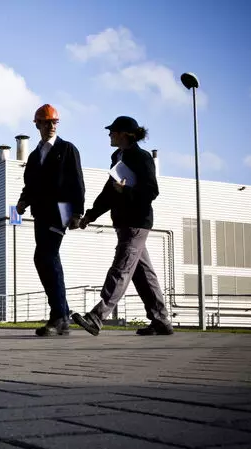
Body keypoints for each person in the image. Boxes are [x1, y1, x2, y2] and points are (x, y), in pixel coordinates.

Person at [71, 115, 174, 336]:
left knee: (121, 268)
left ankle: (97, 317)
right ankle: (161, 320)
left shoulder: (141, 157)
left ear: (125, 134)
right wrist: (90, 216)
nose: (109, 134)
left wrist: (125, 191)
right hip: (123, 222)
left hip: (136, 223)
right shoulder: (118, 156)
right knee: (142, 274)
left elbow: (151, 191)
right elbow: (109, 193)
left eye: (113, 131)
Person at [16, 104, 85, 336]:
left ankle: (59, 316)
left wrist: (77, 213)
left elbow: (77, 181)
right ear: (37, 124)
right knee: (43, 259)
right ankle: (62, 314)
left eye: (54, 122)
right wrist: (23, 202)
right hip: (41, 213)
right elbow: (30, 185)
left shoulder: (67, 149)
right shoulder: (35, 156)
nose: (51, 126)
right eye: (46, 123)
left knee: (46, 255)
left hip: (62, 211)